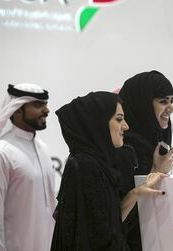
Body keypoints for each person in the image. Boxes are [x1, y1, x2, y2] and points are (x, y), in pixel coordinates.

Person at [51, 91, 167, 250]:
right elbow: (98, 239)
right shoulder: (85, 165)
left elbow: (108, 227)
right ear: (97, 123)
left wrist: (135, 193)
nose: (126, 126)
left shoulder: (96, 163)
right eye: (119, 119)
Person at [0, 83, 56, 251]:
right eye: (38, 105)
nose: (46, 110)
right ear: (17, 109)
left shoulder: (43, 149)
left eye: (45, 104)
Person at [117, 71, 173, 250]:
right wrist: (156, 170)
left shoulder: (157, 141)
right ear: (142, 104)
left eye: (172, 101)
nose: (171, 109)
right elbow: (117, 218)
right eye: (163, 101)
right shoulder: (123, 150)